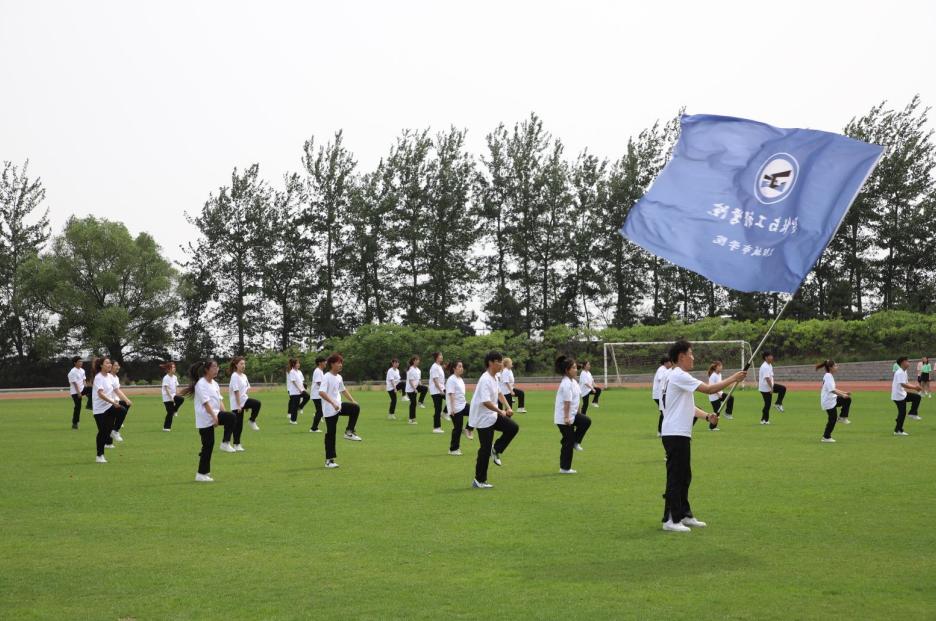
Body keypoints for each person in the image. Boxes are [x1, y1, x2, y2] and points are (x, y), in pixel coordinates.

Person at [660, 340, 746, 533]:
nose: (693, 357)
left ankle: (683, 514)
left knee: (684, 476)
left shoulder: (673, 376)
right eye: (690, 354)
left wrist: (707, 416)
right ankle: (670, 519)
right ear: (681, 357)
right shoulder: (679, 375)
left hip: (677, 433)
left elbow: (689, 407)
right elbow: (709, 389)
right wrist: (734, 378)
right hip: (675, 433)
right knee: (676, 477)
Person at [469, 351, 519, 489]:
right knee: (484, 449)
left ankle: (496, 449)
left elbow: (499, 393)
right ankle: (479, 480)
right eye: (498, 361)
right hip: (483, 419)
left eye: (502, 361)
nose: (501, 364)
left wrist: (508, 407)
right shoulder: (485, 379)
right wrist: (501, 411)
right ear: (490, 363)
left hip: (492, 416)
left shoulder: (495, 377)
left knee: (513, 428)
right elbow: (485, 401)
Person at [180, 359, 235, 482]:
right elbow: (206, 403)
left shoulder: (214, 384)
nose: (217, 369)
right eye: (214, 367)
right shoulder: (201, 384)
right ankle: (201, 474)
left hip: (213, 414)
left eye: (217, 367)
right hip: (205, 419)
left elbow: (219, 401)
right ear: (207, 369)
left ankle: (203, 472)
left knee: (231, 417)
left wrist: (224, 413)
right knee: (208, 447)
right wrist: (215, 418)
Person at [318, 353, 362, 468]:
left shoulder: (339, 377)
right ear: (332, 364)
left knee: (355, 408)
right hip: (329, 410)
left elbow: (343, 390)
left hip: (339, 406)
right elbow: (321, 392)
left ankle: (349, 432)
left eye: (341, 363)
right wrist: (333, 403)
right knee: (331, 434)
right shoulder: (326, 376)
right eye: (338, 363)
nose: (341, 365)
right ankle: (329, 461)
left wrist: (353, 400)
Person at [555, 355, 591, 474]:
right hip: (563, 418)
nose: (576, 370)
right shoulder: (566, 383)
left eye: (576, 367)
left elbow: (577, 400)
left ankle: (575, 441)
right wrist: (566, 417)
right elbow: (566, 402)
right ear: (567, 370)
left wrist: (579, 414)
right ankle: (564, 468)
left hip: (573, 414)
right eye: (574, 368)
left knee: (586, 421)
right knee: (567, 442)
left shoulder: (574, 382)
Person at [90, 357, 124, 463]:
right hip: (99, 410)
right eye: (107, 363)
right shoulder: (98, 377)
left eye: (110, 363)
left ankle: (115, 431)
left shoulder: (110, 376)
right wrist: (113, 402)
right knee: (103, 433)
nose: (110, 365)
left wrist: (127, 400)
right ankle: (99, 456)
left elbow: (116, 389)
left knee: (123, 409)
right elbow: (100, 394)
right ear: (101, 365)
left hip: (108, 406)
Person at [226, 356, 261, 451]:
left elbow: (245, 390)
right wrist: (238, 405)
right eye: (241, 364)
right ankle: (236, 445)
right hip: (236, 404)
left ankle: (252, 420)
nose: (243, 365)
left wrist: (246, 405)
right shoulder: (234, 376)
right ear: (236, 365)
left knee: (257, 404)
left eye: (244, 364)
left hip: (244, 401)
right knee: (238, 425)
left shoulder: (244, 376)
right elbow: (236, 391)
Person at [817, 360, 851, 443]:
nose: (837, 367)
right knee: (832, 419)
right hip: (828, 401)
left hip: (832, 399)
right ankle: (826, 437)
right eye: (835, 366)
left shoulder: (829, 375)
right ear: (830, 368)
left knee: (847, 399)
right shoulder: (828, 376)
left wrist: (844, 392)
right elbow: (831, 390)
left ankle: (842, 417)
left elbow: (833, 388)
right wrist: (842, 395)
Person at [892, 356, 923, 435]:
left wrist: (915, 386)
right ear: (902, 363)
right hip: (898, 396)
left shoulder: (904, 371)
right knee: (902, 413)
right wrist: (915, 388)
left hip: (903, 394)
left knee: (917, 397)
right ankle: (898, 431)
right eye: (907, 361)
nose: (908, 363)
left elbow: (906, 382)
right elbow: (903, 384)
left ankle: (912, 413)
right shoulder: (899, 372)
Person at [446, 360, 471, 455]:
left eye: (462, 366)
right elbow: (451, 394)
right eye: (459, 366)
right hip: (455, 408)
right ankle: (453, 449)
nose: (462, 368)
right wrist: (452, 409)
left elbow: (460, 393)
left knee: (474, 412)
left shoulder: (460, 379)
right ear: (454, 368)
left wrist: (465, 401)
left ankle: (468, 429)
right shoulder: (451, 379)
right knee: (457, 428)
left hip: (463, 404)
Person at [758, 351, 786, 424]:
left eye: (772, 355)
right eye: (770, 356)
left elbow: (771, 377)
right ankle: (764, 420)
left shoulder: (769, 365)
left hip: (769, 386)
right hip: (765, 388)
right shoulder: (765, 367)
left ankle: (778, 403)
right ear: (766, 357)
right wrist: (771, 388)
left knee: (782, 389)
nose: (772, 357)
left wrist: (772, 385)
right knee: (767, 404)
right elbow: (767, 379)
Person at [108, 361, 132, 443]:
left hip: (116, 401)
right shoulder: (108, 377)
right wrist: (113, 400)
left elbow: (117, 391)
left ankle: (118, 424)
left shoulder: (116, 378)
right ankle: (115, 431)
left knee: (126, 404)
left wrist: (126, 400)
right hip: (109, 402)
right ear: (110, 366)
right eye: (115, 365)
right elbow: (109, 391)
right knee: (109, 424)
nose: (118, 367)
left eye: (118, 365)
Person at [704, 360, 733, 429]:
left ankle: (727, 413)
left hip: (720, 394)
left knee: (730, 398)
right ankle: (712, 427)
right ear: (716, 367)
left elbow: (720, 384)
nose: (721, 367)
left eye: (721, 366)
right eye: (719, 366)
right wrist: (718, 394)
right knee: (717, 412)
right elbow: (711, 387)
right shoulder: (713, 376)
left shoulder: (719, 374)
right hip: (713, 396)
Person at [161, 361, 184, 431]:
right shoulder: (166, 378)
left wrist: (176, 395)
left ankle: (175, 410)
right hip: (166, 397)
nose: (174, 368)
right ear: (169, 369)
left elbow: (176, 387)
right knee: (169, 412)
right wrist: (171, 397)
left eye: (174, 367)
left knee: (181, 399)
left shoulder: (175, 377)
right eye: (173, 367)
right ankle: (166, 428)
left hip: (173, 395)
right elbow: (166, 388)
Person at [652, 357, 672, 437]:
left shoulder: (664, 369)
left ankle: (662, 431)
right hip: (658, 395)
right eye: (670, 362)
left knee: (664, 413)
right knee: (664, 413)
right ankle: (661, 432)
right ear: (666, 363)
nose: (671, 364)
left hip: (660, 395)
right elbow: (661, 378)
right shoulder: (662, 369)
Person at [286, 358, 309, 425]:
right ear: (293, 364)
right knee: (294, 406)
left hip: (301, 390)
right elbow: (293, 381)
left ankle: (300, 407)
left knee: (307, 396)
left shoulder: (299, 372)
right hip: (294, 392)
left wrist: (304, 388)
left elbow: (301, 381)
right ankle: (293, 420)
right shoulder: (292, 372)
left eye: (299, 363)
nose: (299, 364)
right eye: (297, 363)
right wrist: (299, 389)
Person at [405, 355, 428, 424]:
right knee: (413, 403)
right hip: (410, 389)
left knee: (425, 388)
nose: (419, 361)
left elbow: (418, 380)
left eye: (419, 360)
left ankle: (420, 402)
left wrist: (421, 385)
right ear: (414, 361)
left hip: (416, 386)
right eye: (417, 360)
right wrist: (415, 389)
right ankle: (411, 419)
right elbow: (410, 381)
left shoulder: (418, 370)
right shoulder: (410, 370)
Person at [429, 352, 447, 433]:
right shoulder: (434, 367)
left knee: (451, 398)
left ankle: (444, 413)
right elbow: (435, 380)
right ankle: (436, 428)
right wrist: (440, 391)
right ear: (436, 358)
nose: (442, 357)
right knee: (438, 409)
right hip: (436, 391)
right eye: (440, 356)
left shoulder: (439, 366)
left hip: (441, 388)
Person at [67, 356, 87, 429]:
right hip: (75, 392)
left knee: (91, 389)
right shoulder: (72, 372)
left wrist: (86, 388)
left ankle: (90, 404)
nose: (81, 363)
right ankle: (75, 423)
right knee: (78, 407)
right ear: (75, 363)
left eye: (81, 361)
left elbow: (84, 380)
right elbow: (74, 384)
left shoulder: (82, 370)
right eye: (79, 361)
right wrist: (79, 393)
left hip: (82, 389)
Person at [309, 357, 326, 432]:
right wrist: (326, 389)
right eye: (324, 362)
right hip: (317, 395)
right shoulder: (318, 371)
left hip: (318, 395)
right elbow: (319, 382)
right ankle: (313, 428)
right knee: (320, 411)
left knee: (320, 411)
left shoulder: (320, 371)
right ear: (320, 363)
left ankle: (314, 426)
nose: (326, 363)